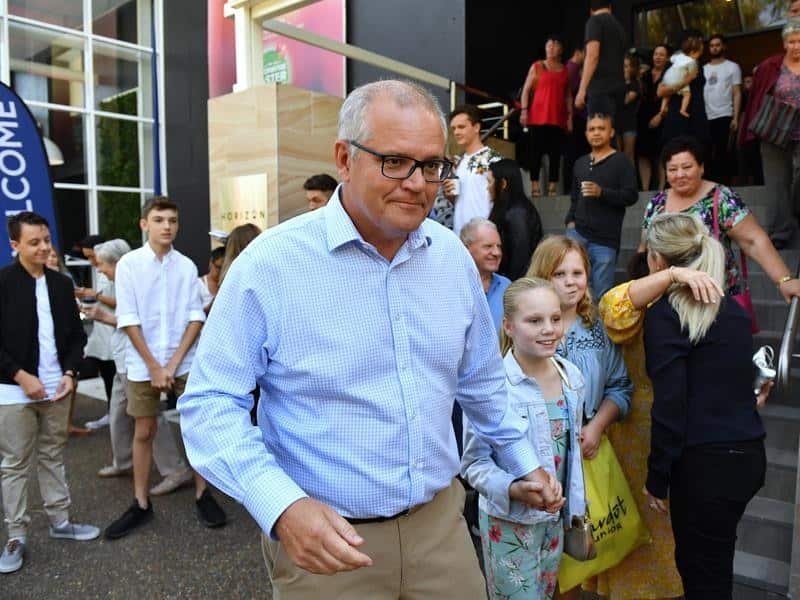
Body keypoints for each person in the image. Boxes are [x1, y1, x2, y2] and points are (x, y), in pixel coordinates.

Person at [178, 79, 549, 598]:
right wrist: (281, 507)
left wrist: (525, 461)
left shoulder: (451, 261)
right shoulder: (271, 265)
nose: (417, 183)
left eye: (431, 165)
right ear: (344, 159)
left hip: (441, 529)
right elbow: (210, 403)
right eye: (394, 161)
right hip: (327, 546)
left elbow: (482, 382)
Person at [643, 212, 769, 599]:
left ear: (659, 262)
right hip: (746, 457)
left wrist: (656, 477)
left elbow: (670, 404)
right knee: (712, 568)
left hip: (704, 467)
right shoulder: (733, 310)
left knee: (702, 577)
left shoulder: (666, 314)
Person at [589, 251, 725, 599]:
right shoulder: (634, 302)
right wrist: (672, 277)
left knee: (669, 530)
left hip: (680, 429)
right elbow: (611, 309)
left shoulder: (706, 305)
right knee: (637, 518)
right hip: (636, 430)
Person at [104, 196, 226, 540]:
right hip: (143, 366)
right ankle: (140, 503)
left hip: (185, 361)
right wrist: (155, 366)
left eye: (172, 220)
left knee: (196, 429)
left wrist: (172, 363)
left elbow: (194, 316)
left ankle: (204, 495)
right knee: (144, 431)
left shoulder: (186, 266)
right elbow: (128, 319)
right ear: (145, 224)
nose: (167, 226)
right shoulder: (129, 264)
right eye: (159, 219)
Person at [461, 277, 586, 600]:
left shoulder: (571, 377)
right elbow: (473, 463)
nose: (549, 329)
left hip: (555, 521)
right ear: (508, 326)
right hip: (509, 522)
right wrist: (513, 489)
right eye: (534, 321)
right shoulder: (492, 388)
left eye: (555, 318)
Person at [526, 235, 631, 598]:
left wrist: (597, 425)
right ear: (543, 276)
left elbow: (620, 386)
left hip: (586, 458)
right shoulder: (524, 326)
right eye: (560, 273)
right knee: (539, 564)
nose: (572, 281)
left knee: (577, 553)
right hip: (535, 461)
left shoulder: (597, 326)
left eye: (578, 272)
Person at [0, 212, 100, 575]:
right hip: (13, 393)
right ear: (15, 245)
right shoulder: (4, 283)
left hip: (58, 389)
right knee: (14, 465)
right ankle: (16, 535)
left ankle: (60, 521)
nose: (44, 247)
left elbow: (76, 336)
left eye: (46, 240)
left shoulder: (60, 284)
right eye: (33, 242)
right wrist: (20, 375)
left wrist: (71, 373)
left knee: (53, 456)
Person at [80, 240, 192, 485]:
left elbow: (135, 321)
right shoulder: (122, 278)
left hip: (136, 362)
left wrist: (102, 315)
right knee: (120, 413)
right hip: (124, 358)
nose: (98, 270)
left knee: (148, 418)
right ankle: (124, 461)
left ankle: (175, 470)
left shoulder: (139, 279)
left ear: (117, 263)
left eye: (100, 264)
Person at [639, 135, 800, 302]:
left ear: (701, 167)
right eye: (672, 169)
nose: (680, 175)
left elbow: (753, 241)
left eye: (687, 167)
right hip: (666, 300)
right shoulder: (657, 203)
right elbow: (644, 250)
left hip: (714, 301)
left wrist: (784, 280)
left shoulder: (721, 198)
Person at [740, 18, 800, 249]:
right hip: (774, 130)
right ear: (784, 43)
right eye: (791, 41)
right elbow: (756, 97)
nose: (795, 46)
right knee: (776, 183)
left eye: (799, 41)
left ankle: (795, 213)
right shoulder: (770, 66)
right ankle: (780, 232)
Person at [565, 113, 638, 299]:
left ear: (611, 132)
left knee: (601, 295)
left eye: (601, 128)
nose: (596, 133)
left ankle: (597, 329)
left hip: (605, 240)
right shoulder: (580, 162)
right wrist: (570, 221)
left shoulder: (622, 161)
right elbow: (574, 196)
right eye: (592, 129)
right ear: (586, 133)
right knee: (569, 289)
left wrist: (602, 192)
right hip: (577, 233)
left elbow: (631, 195)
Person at [520, 34, 573, 197]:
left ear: (561, 49)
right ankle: (535, 187)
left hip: (557, 118)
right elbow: (526, 89)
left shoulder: (565, 71)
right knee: (535, 152)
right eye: (548, 45)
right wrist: (524, 110)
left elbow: (568, 96)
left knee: (555, 154)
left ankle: (552, 188)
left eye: (554, 45)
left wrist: (570, 117)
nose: (551, 48)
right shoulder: (537, 66)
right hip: (537, 116)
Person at [74, 235, 117, 432]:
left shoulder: (121, 274)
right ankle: (113, 413)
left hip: (115, 334)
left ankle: (116, 415)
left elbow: (117, 301)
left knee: (115, 377)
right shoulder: (101, 273)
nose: (93, 264)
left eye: (93, 258)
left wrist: (95, 295)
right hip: (102, 334)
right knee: (107, 374)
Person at [445, 104, 503, 236]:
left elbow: (501, 199)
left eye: (461, 127)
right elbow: (461, 199)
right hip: (460, 234)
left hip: (484, 234)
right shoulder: (459, 162)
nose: (456, 132)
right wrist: (450, 196)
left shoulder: (493, 159)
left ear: (476, 127)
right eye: (453, 128)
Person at [487, 158, 543, 280]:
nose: (487, 187)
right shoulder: (510, 209)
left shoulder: (517, 213)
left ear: (503, 184)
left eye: (490, 182)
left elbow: (520, 260)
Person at [575, 0, 626, 121]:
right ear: (610, 7)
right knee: (611, 134)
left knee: (598, 134)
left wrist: (582, 90)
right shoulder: (619, 27)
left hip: (600, 90)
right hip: (619, 89)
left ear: (591, 11)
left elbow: (592, 55)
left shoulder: (595, 20)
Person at [659, 30, 710, 148]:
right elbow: (661, 91)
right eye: (698, 42)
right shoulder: (673, 64)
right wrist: (685, 81)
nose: (701, 45)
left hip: (697, 118)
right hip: (678, 119)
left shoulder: (698, 64)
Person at [703, 34, 742, 185]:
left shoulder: (732, 66)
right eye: (712, 45)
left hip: (725, 114)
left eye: (717, 45)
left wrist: (736, 117)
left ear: (723, 47)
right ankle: (709, 185)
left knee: (722, 152)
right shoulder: (703, 68)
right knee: (706, 152)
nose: (714, 48)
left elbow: (737, 92)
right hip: (705, 116)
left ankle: (724, 185)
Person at [460, 218, 511, 331]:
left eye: (499, 246)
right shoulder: (452, 285)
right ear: (466, 249)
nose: (497, 253)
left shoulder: (506, 286)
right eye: (488, 246)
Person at [637, 44, 669, 190]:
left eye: (662, 54)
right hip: (643, 116)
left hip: (661, 116)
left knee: (660, 154)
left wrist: (660, 116)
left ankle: (661, 188)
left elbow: (669, 98)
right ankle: (645, 189)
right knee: (643, 153)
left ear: (667, 58)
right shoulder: (645, 75)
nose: (658, 57)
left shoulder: (669, 75)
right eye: (656, 54)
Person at [565, 46, 590, 195]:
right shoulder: (572, 68)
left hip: (577, 117)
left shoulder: (573, 68)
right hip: (577, 117)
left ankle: (573, 186)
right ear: (578, 52)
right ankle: (572, 186)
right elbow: (568, 93)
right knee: (576, 154)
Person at [660, 38, 702, 120]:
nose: (700, 55)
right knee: (687, 94)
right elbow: (692, 74)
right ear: (693, 52)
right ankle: (683, 109)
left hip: (668, 76)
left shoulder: (678, 56)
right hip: (679, 79)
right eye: (699, 53)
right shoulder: (692, 62)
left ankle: (663, 107)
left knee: (667, 95)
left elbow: (671, 59)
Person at [617, 52, 641, 164]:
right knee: (616, 154)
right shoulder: (616, 83)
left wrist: (625, 81)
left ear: (632, 68)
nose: (623, 69)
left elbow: (625, 100)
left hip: (629, 124)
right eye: (622, 66)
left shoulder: (634, 84)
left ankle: (629, 180)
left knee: (628, 155)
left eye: (626, 66)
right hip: (615, 122)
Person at [199, 246, 225, 312]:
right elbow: (195, 313)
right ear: (211, 263)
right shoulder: (198, 284)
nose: (220, 272)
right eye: (218, 267)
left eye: (223, 269)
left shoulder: (227, 285)